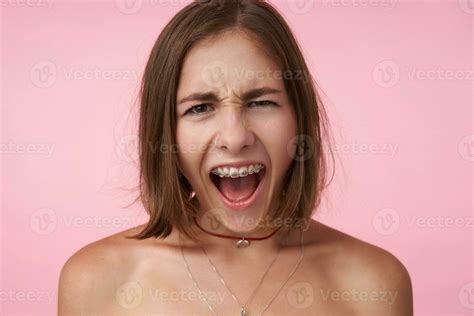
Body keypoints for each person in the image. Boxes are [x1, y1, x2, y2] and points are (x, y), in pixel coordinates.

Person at [58, 1, 413, 315]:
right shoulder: (96, 281)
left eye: (261, 102)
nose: (235, 137)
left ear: (299, 120)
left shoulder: (374, 284)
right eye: (199, 107)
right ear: (166, 132)